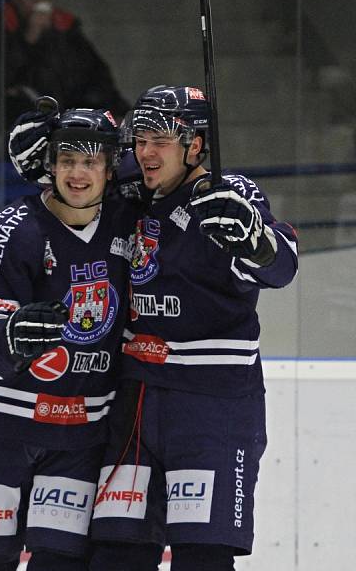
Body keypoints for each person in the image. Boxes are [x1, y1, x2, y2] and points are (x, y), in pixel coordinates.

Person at [88, 85, 299, 570]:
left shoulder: (229, 195)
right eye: (139, 139)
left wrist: (253, 240)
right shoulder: (133, 193)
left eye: (159, 139)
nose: (145, 152)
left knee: (202, 557)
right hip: (137, 403)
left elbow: (280, 266)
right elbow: (78, 172)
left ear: (196, 144)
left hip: (211, 408)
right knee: (114, 555)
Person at [0, 104, 141, 570]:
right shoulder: (12, 227)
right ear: (48, 164)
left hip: (79, 432)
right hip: (1, 427)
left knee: (60, 561)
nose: (77, 172)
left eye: (91, 161)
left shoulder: (124, 221)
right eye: (67, 160)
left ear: (110, 169)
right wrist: (7, 333)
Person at [0, 0, 130, 137]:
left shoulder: (66, 30)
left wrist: (119, 113)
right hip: (21, 129)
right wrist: (30, 38)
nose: (40, 4)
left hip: (70, 125)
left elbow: (97, 78)